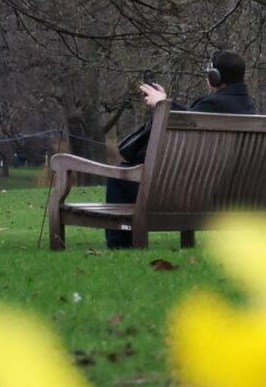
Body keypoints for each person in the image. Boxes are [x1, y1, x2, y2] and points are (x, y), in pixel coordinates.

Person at [105, 50, 257, 250]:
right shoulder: (248, 107)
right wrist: (165, 101)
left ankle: (121, 248)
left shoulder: (213, 104)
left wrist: (161, 104)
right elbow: (193, 118)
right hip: (233, 196)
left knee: (120, 177)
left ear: (214, 77)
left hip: (191, 196)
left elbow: (189, 124)